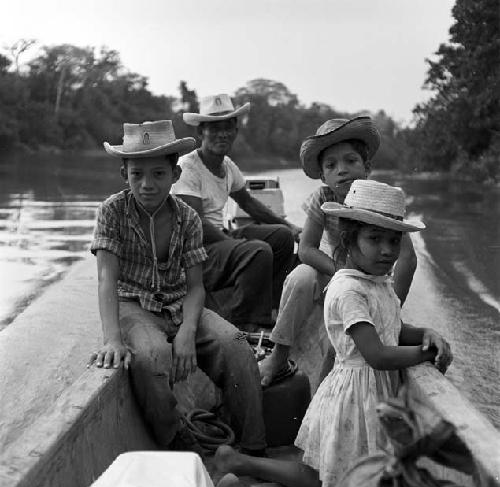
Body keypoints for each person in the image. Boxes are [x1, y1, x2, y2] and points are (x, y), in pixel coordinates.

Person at [214, 179, 453, 487]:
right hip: (354, 399)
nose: (386, 250)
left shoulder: (378, 284)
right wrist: (424, 354)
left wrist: (425, 333)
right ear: (348, 241)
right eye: (374, 239)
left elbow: (390, 327)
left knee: (318, 477)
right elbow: (377, 354)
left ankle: (239, 462)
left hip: (365, 395)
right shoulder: (349, 289)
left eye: (394, 241)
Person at [88, 120, 266, 456]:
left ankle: (252, 450)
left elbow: (196, 288)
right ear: (123, 175)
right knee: (153, 357)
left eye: (158, 174)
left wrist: (187, 331)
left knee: (236, 346)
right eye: (136, 174)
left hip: (179, 302)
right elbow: (106, 280)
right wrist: (112, 339)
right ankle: (174, 437)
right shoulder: (112, 211)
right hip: (133, 305)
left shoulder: (188, 218)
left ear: (175, 174)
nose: (147, 184)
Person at [259, 117, 418, 386]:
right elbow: (307, 249)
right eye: (331, 165)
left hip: (372, 281)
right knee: (300, 277)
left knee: (340, 348)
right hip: (333, 273)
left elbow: (408, 259)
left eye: (351, 161)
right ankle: (278, 355)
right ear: (322, 175)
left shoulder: (378, 202)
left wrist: (393, 308)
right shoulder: (323, 199)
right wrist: (341, 274)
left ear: (366, 167)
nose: (341, 170)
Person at [172, 94, 301, 332]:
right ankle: (244, 323)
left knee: (281, 237)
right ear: (201, 132)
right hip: (195, 252)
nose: (222, 134)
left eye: (228, 128)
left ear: (235, 131)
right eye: (214, 128)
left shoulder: (227, 166)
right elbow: (194, 224)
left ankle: (272, 309)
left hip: (220, 239)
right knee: (256, 251)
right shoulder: (188, 167)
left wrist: (292, 228)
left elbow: (249, 203)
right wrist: (234, 243)